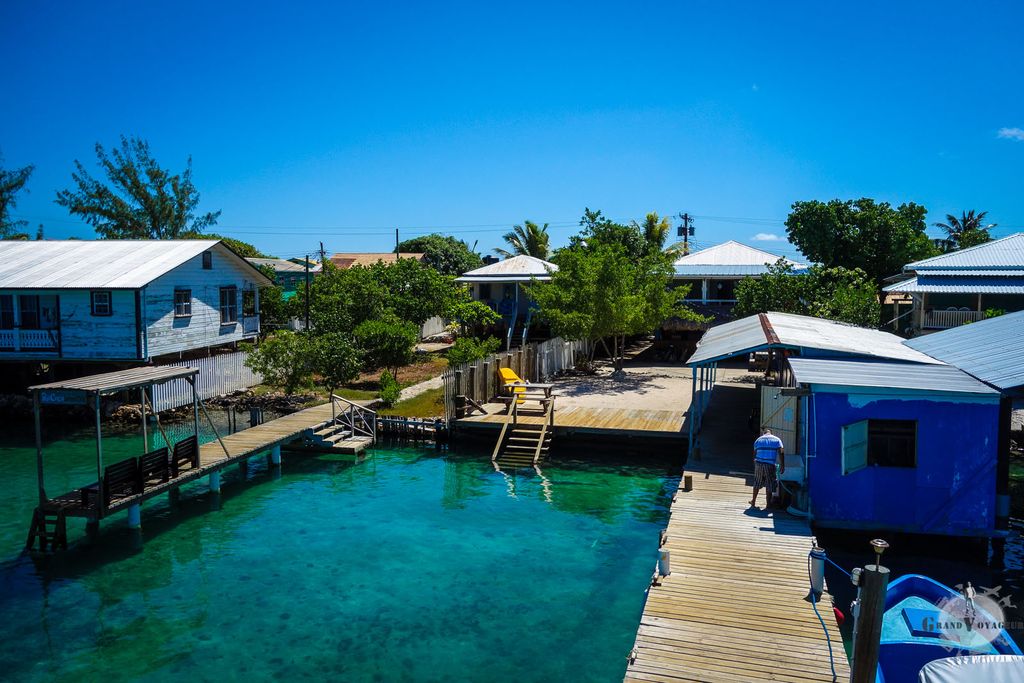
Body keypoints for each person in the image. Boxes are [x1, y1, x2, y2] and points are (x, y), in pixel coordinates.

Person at [751, 427, 785, 509]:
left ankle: (753, 501)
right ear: (771, 433)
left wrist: (755, 463)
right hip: (769, 464)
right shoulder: (777, 439)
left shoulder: (758, 440)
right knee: (769, 484)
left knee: (757, 482)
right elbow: (781, 452)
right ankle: (768, 504)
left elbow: (754, 454)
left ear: (764, 433)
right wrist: (782, 464)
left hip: (759, 464)